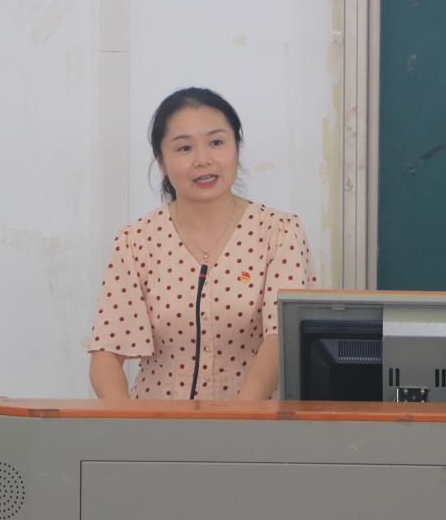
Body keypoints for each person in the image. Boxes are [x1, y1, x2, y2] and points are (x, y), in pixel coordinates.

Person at [88, 87, 317, 400]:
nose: (203, 160)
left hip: (254, 423)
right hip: (157, 420)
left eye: (216, 143)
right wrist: (126, 421)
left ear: (237, 147)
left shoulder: (279, 232)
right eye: (184, 148)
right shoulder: (136, 240)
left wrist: (237, 419)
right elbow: (106, 352)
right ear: (161, 161)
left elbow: (281, 337)